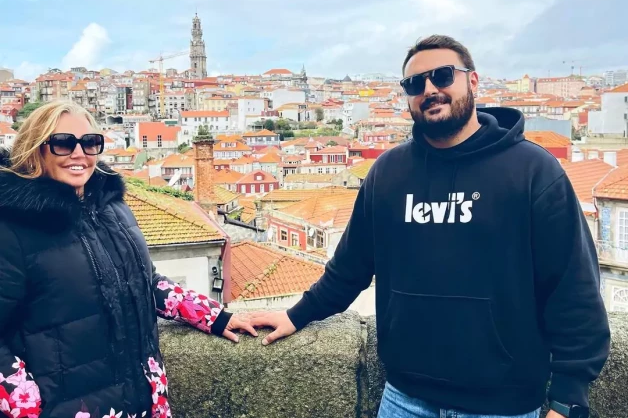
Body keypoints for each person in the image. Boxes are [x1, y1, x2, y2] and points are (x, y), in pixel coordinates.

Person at [251, 35, 610, 418]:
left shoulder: (532, 170)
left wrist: (568, 399)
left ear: (472, 82)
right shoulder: (388, 172)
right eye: (414, 83)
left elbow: (573, 286)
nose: (429, 90)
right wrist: (296, 315)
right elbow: (350, 268)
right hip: (404, 399)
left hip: (503, 405)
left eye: (442, 76)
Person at [0, 101, 259, 418]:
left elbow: (145, 283)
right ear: (37, 149)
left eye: (90, 142)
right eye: (64, 143)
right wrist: (24, 402)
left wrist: (215, 316)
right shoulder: (12, 228)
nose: (79, 153)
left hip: (142, 398)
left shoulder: (113, 210)